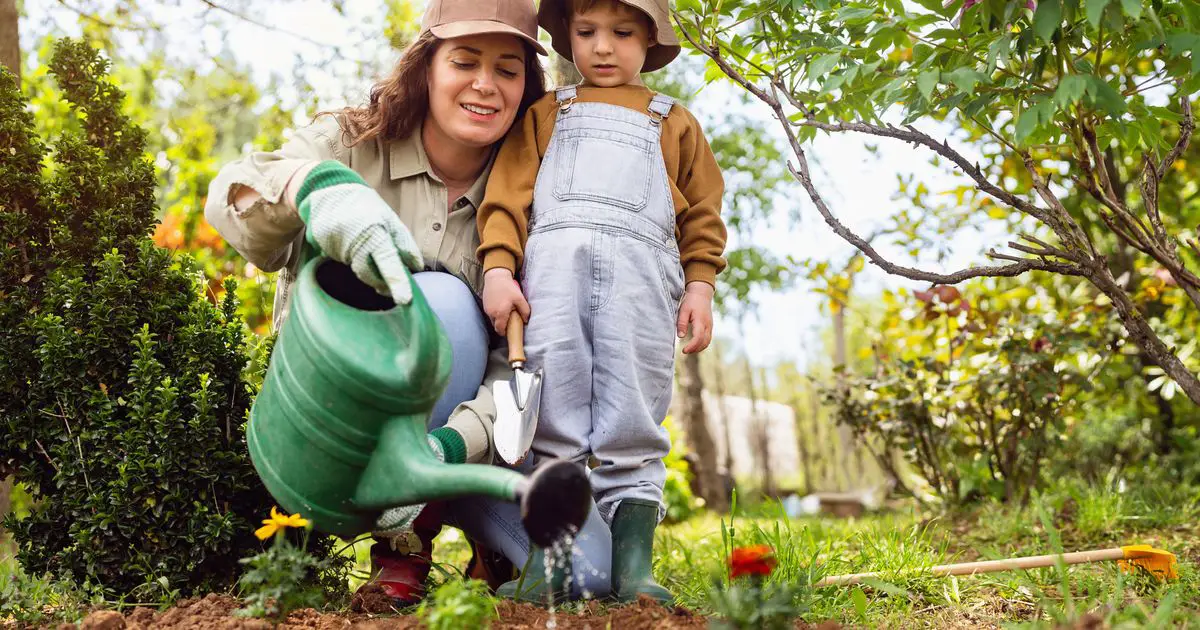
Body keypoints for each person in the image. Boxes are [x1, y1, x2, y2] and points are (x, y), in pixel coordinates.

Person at [204, 0, 553, 606]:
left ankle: (474, 542)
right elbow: (229, 202)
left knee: (581, 574)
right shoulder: (352, 141)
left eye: (508, 70)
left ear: (527, 87)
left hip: (455, 451)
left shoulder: (532, 198)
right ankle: (402, 555)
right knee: (439, 301)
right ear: (425, 67)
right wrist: (312, 189)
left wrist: (444, 451)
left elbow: (522, 370)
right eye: (464, 61)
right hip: (326, 424)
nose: (485, 85)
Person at [477, 0, 727, 604]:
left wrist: (699, 284)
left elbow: (702, 216)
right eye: (587, 32)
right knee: (552, 418)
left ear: (650, 39)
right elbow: (507, 199)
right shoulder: (545, 114)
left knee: (632, 420)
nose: (604, 47)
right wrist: (498, 268)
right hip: (551, 288)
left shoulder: (675, 123)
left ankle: (634, 568)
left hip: (643, 289)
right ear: (567, 37)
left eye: (621, 33)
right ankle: (549, 566)